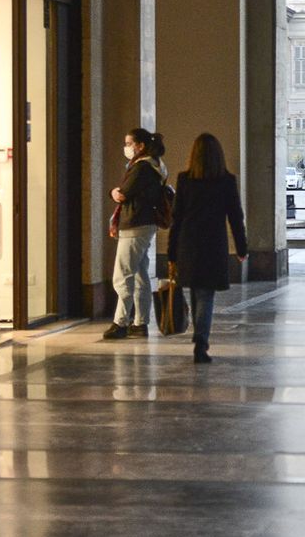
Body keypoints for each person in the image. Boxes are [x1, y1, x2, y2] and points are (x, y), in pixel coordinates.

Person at [167, 133, 248, 363]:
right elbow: (235, 217)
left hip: (188, 244)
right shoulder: (226, 181)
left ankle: (199, 336)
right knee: (205, 294)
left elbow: (177, 219)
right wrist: (242, 248)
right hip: (213, 245)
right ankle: (201, 342)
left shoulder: (184, 180)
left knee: (195, 291)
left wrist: (172, 252)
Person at [103, 128, 167, 340]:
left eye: (129, 143)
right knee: (140, 275)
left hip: (134, 225)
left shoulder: (141, 167)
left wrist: (113, 192)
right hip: (145, 224)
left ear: (140, 145)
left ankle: (120, 322)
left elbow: (122, 194)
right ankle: (140, 322)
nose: (126, 147)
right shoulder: (156, 165)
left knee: (122, 276)